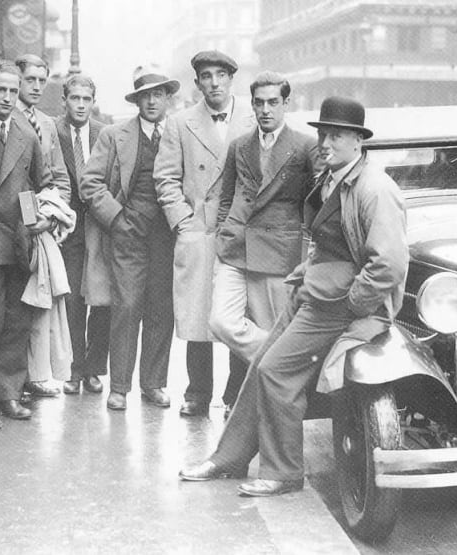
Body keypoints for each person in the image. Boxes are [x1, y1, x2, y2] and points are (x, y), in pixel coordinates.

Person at [179, 97, 409, 497]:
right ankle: (229, 457)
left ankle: (284, 472)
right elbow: (330, 240)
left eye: (335, 136)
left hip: (342, 306)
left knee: (276, 372)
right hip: (315, 294)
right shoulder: (337, 176)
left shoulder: (375, 187)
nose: (325, 143)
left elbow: (388, 264)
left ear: (357, 140)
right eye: (322, 134)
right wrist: (309, 271)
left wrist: (353, 304)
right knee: (261, 365)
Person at [209, 71, 318, 417]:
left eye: (273, 102)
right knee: (221, 322)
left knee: (273, 326)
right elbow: (226, 195)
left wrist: (306, 249)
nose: (265, 110)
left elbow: (314, 203)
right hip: (236, 246)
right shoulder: (240, 145)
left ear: (287, 103)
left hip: (278, 252)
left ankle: (269, 402)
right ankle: (288, 362)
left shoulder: (304, 146)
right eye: (259, 102)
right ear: (252, 104)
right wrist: (226, 227)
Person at [154, 50, 256, 417]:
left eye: (221, 75)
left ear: (232, 79)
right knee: (197, 318)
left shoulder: (252, 116)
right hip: (199, 231)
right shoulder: (180, 123)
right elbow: (165, 178)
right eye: (206, 76)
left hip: (241, 231)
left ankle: (236, 394)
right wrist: (183, 220)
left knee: (236, 314)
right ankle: (197, 392)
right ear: (197, 83)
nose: (214, 83)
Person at [81, 65, 179, 411]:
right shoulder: (114, 134)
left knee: (161, 309)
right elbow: (89, 183)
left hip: (167, 235)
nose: (151, 101)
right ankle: (119, 386)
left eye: (157, 94)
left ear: (168, 98)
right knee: (126, 307)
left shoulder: (180, 133)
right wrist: (117, 218)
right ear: (137, 100)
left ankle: (153, 384)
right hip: (127, 233)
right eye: (145, 96)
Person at [0, 60, 49, 421]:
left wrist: (36, 221)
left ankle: (8, 393)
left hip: (19, 239)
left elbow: (39, 183)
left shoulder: (26, 132)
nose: (7, 97)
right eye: (0, 89)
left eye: (12, 90)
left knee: (16, 321)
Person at [15, 53, 71, 398]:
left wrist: (52, 214)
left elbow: (59, 176)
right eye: (29, 79)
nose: (36, 86)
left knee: (41, 302)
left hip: (44, 223)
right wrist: (28, 217)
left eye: (41, 80)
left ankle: (36, 374)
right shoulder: (9, 116)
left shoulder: (47, 124)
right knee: (15, 302)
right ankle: (12, 380)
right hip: (16, 222)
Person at [54, 74, 110, 395]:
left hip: (99, 228)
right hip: (70, 228)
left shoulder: (105, 133)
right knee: (74, 300)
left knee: (101, 300)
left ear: (93, 101)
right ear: (65, 101)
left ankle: (94, 368)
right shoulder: (54, 130)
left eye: (86, 99)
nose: (80, 105)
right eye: (74, 98)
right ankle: (75, 369)